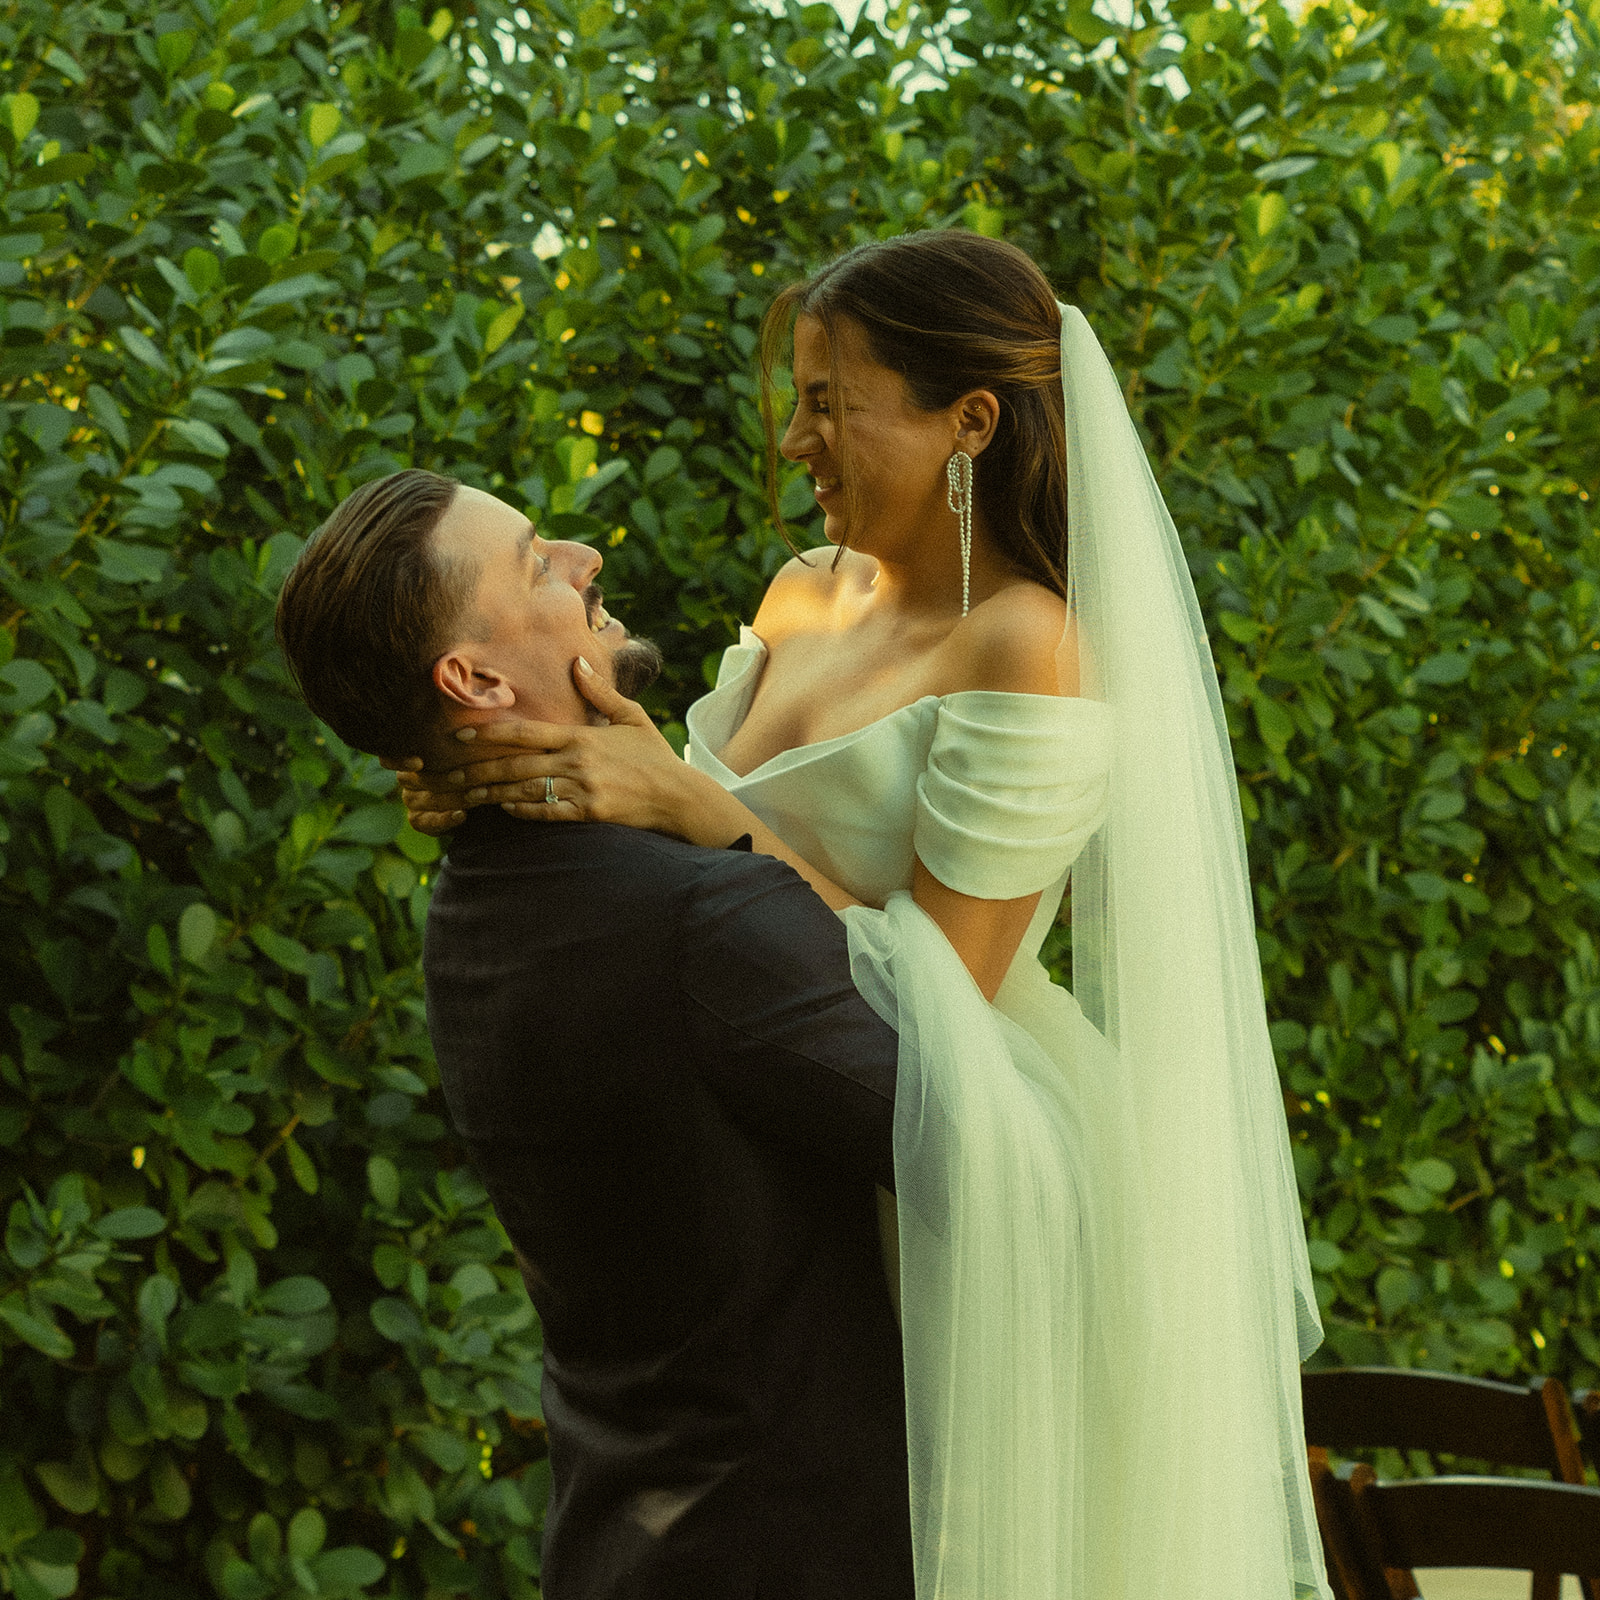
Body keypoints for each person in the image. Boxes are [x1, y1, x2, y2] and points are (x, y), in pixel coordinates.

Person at [398, 232, 1334, 1598]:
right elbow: (697, 829)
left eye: (833, 404)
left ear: (970, 421)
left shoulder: (1031, 644)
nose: (796, 441)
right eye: (801, 401)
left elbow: (936, 977)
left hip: (956, 1133)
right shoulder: (803, 594)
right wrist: (535, 764)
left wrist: (691, 809)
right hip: (783, 1141)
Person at [273, 471, 917, 1600]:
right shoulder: (704, 911)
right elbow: (959, 1135)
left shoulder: (474, 904)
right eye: (535, 562)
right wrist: (729, 833)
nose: (584, 557)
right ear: (472, 678)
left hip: (623, 1541)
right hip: (791, 1552)